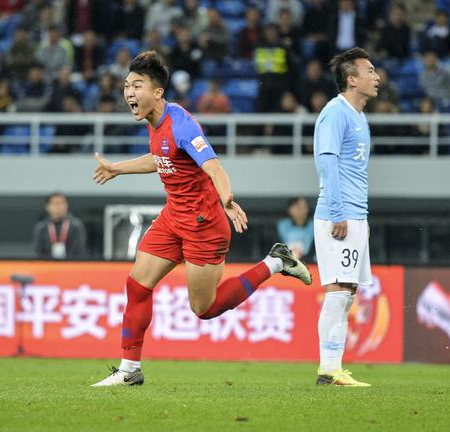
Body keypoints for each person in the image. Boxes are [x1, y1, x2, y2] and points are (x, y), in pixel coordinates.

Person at [90, 51, 312, 387]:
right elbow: (159, 158)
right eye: (126, 86)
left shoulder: (182, 124)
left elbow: (213, 166)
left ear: (158, 92)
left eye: (136, 86)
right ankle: (129, 369)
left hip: (203, 224)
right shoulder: (154, 122)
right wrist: (117, 169)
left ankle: (276, 262)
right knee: (137, 285)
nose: (129, 93)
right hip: (173, 218)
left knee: (204, 308)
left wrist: (227, 200)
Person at [312, 47, 378, 387]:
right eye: (370, 71)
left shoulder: (359, 116)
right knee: (338, 291)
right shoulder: (335, 113)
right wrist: (339, 211)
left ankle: (333, 367)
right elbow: (327, 161)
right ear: (352, 80)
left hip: (355, 214)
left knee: (347, 292)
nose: (376, 77)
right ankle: (328, 368)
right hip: (339, 214)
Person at [32, 192, 87, 260]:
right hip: (47, 264)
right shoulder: (42, 227)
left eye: (62, 203)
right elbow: (38, 252)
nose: (59, 207)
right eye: (55, 204)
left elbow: (79, 251)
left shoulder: (76, 226)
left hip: (71, 263)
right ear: (47, 207)